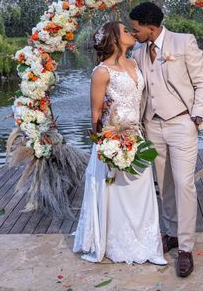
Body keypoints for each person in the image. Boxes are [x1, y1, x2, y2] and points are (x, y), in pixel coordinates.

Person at [73, 21, 167, 265]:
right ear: (115, 38)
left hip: (136, 136)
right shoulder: (101, 72)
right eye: (125, 30)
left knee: (142, 193)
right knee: (118, 195)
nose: (131, 33)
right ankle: (116, 244)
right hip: (113, 141)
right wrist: (106, 145)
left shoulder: (136, 62)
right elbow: (94, 116)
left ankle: (147, 245)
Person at [129, 2, 203, 277]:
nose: (134, 34)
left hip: (181, 124)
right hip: (152, 126)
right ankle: (171, 233)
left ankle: (185, 247)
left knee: (184, 184)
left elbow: (202, 82)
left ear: (151, 27)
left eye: (136, 29)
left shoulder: (184, 42)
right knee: (163, 185)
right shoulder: (138, 50)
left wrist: (197, 116)